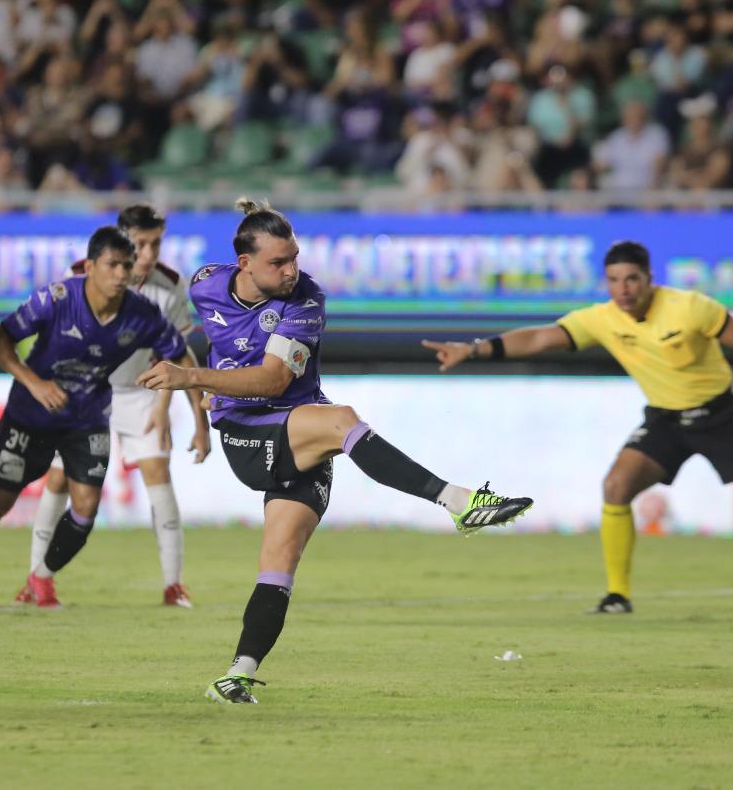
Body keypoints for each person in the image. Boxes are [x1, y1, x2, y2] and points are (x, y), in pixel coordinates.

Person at [137, 200, 534, 705]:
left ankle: (236, 674)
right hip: (247, 433)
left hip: (302, 438)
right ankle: (458, 502)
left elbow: (274, 378)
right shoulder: (203, 283)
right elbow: (218, 338)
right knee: (343, 419)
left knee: (279, 565)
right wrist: (202, 384)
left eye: (295, 258)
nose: (292, 270)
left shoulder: (305, 302)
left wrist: (192, 378)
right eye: (279, 262)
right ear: (244, 265)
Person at [424, 240, 733, 619]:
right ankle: (616, 596)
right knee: (617, 485)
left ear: (649, 279)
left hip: (721, 418)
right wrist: (476, 349)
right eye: (614, 281)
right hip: (665, 420)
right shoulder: (601, 318)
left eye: (631, 280)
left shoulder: (689, 308)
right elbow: (542, 337)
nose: (622, 290)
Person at [0, 226, 196, 608]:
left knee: (86, 505)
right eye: (112, 265)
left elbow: (179, 353)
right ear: (90, 266)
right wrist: (34, 382)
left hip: (87, 417)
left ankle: (40, 578)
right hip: (31, 415)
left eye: (127, 266)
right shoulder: (58, 298)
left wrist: (198, 404)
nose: (121, 274)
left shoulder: (142, 314)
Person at [26, 205, 211, 608]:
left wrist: (180, 413)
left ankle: (172, 584)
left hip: (140, 392)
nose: (147, 254)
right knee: (58, 479)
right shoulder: (81, 277)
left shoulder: (170, 285)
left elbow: (177, 355)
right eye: (140, 244)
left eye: (155, 243)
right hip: (84, 393)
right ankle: (37, 576)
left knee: (158, 472)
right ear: (121, 239)